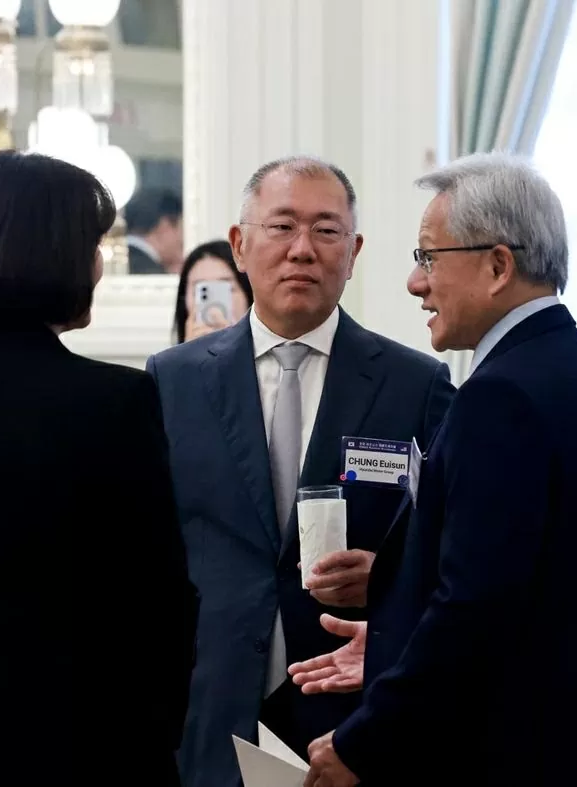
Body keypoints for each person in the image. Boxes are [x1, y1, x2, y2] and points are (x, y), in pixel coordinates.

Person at [292, 152, 577, 787]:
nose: (415, 283)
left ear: (498, 266)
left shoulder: (501, 398)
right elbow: (527, 596)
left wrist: (364, 742)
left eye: (428, 257)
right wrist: (395, 637)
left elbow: (475, 610)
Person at [0, 151, 198, 787]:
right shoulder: (116, 400)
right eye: (92, 244)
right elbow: (158, 601)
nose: (98, 264)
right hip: (84, 734)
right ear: (55, 253)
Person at [146, 156, 456, 787]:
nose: (302, 250)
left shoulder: (416, 385)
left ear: (355, 251)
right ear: (240, 244)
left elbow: (453, 552)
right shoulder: (172, 381)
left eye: (326, 230)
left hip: (353, 718)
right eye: (282, 226)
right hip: (209, 711)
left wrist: (388, 578)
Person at [173, 239, 254, 344]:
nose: (214, 308)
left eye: (224, 289)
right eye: (202, 290)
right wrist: (188, 350)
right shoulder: (170, 355)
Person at [126, 187, 185, 274]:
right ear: (165, 226)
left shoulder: (113, 260)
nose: (182, 238)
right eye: (181, 228)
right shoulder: (154, 274)